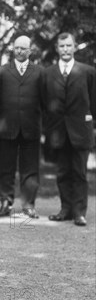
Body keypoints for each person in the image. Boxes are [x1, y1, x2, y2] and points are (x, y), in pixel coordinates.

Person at [43, 33, 95, 227]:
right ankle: (65, 209)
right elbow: (44, 102)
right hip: (58, 132)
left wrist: (91, 124)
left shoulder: (88, 72)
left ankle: (79, 213)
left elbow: (93, 103)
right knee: (63, 172)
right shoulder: (48, 73)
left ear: (74, 47)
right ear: (57, 48)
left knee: (79, 173)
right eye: (62, 46)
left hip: (81, 131)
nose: (65, 49)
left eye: (69, 46)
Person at [0, 35, 42, 218]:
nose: (20, 51)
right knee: (5, 168)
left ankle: (29, 204)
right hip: (7, 128)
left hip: (31, 128)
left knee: (30, 168)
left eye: (23, 48)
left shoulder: (39, 72)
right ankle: (5, 203)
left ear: (30, 51)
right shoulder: (2, 72)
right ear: (13, 49)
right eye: (17, 48)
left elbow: (44, 101)